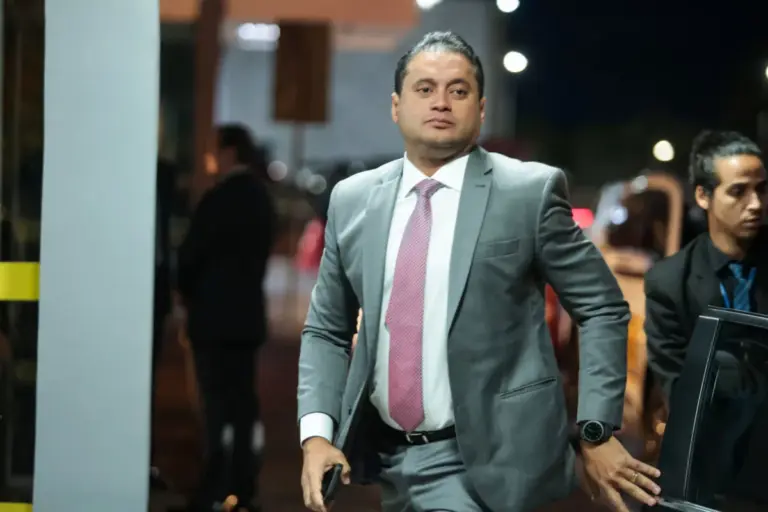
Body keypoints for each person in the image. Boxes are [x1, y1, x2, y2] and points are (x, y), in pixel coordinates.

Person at [298, 31, 660, 512]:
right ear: (396, 106)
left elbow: (601, 306)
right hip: (387, 458)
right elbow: (326, 329)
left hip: (487, 460)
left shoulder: (528, 193)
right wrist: (316, 435)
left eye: (459, 90)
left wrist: (595, 428)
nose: (441, 102)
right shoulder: (353, 199)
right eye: (425, 89)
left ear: (481, 108)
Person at [644, 131, 768, 501]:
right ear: (703, 195)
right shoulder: (670, 282)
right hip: (711, 469)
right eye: (738, 191)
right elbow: (680, 392)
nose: (756, 204)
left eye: (762, 189)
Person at [177, 124, 276, 512]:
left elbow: (191, 257)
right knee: (243, 406)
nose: (210, 159)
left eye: (214, 151)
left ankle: (213, 488)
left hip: (212, 319)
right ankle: (243, 486)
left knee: (215, 408)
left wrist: (185, 294)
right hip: (246, 319)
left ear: (230, 152)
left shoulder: (217, 200)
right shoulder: (260, 199)